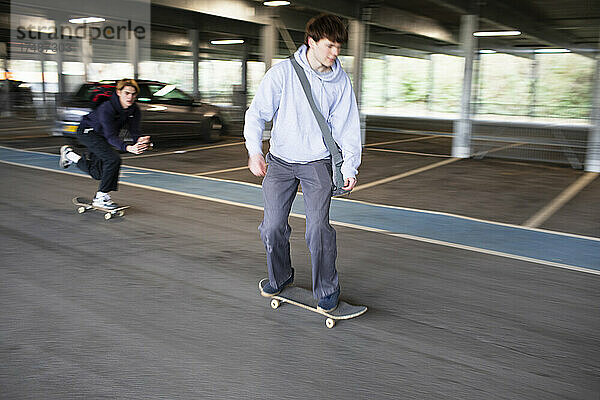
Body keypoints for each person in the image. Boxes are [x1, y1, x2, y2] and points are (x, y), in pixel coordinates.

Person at [244, 14, 362, 312]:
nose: (335, 53)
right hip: (280, 163)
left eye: (338, 47)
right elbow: (257, 114)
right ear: (311, 42)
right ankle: (280, 277)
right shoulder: (283, 73)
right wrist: (254, 151)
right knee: (271, 228)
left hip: (317, 164)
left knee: (318, 230)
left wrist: (350, 166)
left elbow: (347, 127)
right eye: (330, 46)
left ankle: (327, 289)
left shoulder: (340, 82)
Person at [59, 78, 151, 209]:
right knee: (113, 159)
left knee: (98, 173)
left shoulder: (134, 110)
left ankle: (70, 155)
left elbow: (134, 131)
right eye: (127, 93)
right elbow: (110, 136)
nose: (130, 97)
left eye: (133, 94)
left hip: (102, 136)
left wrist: (140, 140)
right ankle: (101, 197)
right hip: (88, 132)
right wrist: (128, 147)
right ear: (119, 92)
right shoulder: (107, 108)